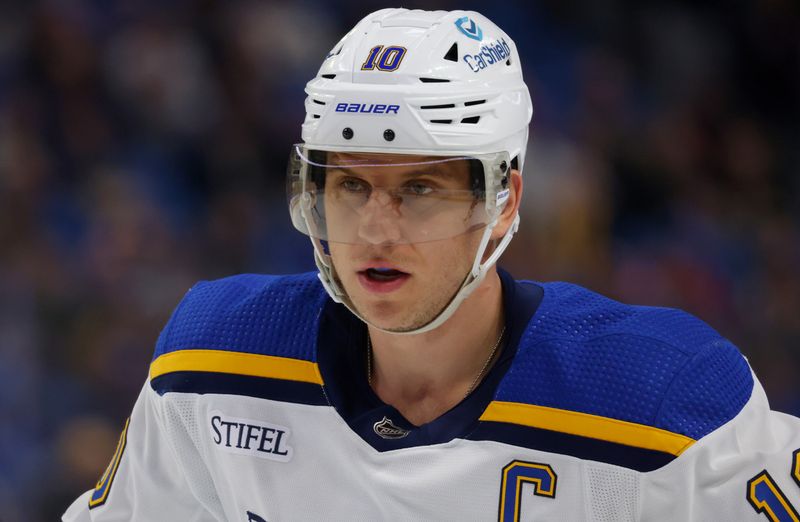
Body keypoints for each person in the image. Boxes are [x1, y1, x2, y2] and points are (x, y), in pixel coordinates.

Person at [64, 8, 800, 521]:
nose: (377, 229)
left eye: (419, 188)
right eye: (351, 185)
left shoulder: (662, 398)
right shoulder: (213, 359)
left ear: (504, 201)